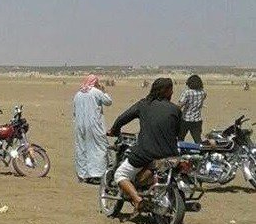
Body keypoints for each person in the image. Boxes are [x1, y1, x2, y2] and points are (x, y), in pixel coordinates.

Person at [107, 78, 181, 213]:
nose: (172, 93)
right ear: (168, 91)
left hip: (147, 152)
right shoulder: (175, 109)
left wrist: (113, 131)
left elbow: (122, 118)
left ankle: (137, 199)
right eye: (171, 90)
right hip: (171, 153)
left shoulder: (143, 104)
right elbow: (179, 132)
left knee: (120, 174)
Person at [72, 74, 112, 184]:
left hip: (80, 125)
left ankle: (83, 174)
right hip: (94, 126)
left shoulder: (78, 94)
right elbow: (108, 101)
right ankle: (97, 174)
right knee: (99, 148)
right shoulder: (96, 92)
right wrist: (103, 91)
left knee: (82, 148)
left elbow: (74, 112)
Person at [176, 74, 206, 143]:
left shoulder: (187, 92)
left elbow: (180, 105)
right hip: (197, 120)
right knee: (198, 140)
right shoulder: (203, 92)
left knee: (180, 138)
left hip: (186, 119)